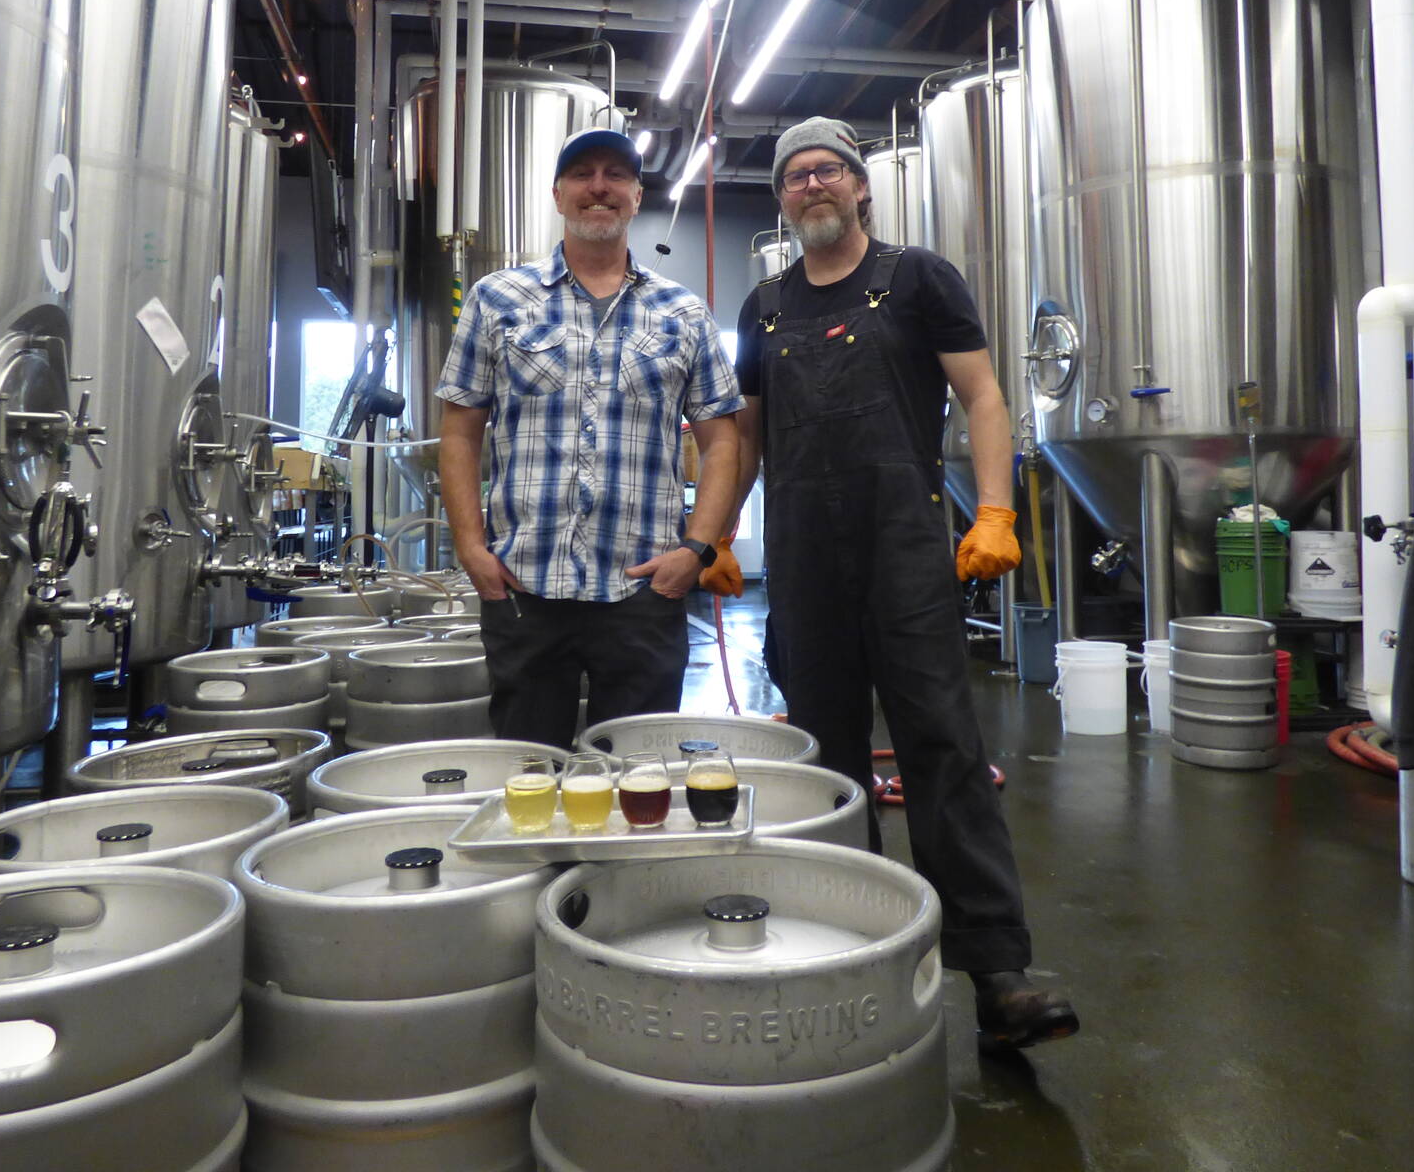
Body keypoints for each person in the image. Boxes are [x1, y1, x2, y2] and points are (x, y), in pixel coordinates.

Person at [723, 116, 1078, 1052]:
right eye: (795, 176)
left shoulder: (919, 279)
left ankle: (998, 976)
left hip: (905, 551)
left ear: (861, 186)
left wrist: (994, 510)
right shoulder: (762, 306)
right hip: (802, 561)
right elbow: (744, 438)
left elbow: (985, 395)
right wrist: (712, 532)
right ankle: (854, 956)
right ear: (783, 197)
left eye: (827, 170)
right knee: (828, 766)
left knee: (942, 750)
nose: (812, 186)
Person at [438, 126, 742, 748]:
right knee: (527, 772)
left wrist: (697, 550)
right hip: (525, 583)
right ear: (557, 194)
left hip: (643, 588)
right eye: (582, 174)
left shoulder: (683, 313)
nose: (598, 187)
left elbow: (721, 442)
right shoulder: (497, 300)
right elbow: (460, 431)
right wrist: (471, 548)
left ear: (635, 196)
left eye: (615, 175)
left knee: (635, 775)